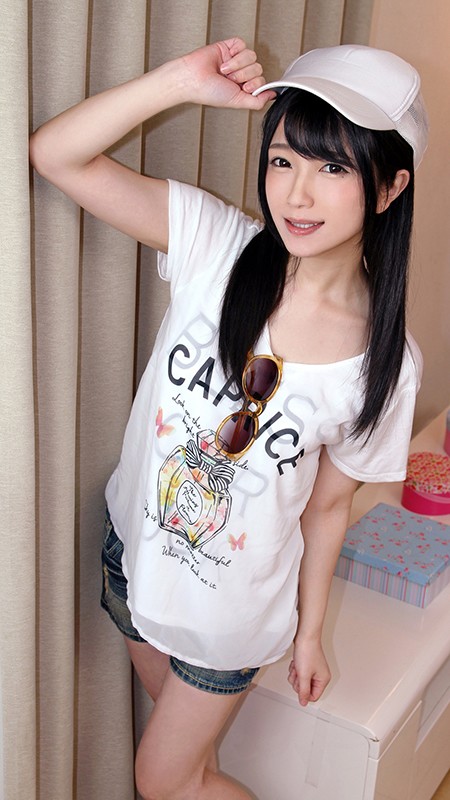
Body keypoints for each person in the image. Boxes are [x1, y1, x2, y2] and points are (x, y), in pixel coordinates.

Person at [30, 37, 428, 800]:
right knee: (190, 773)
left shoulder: (385, 363)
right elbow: (56, 155)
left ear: (388, 187)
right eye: (282, 160)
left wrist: (308, 634)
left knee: (164, 781)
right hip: (132, 559)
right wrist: (179, 81)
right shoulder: (216, 244)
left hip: (231, 615)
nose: (297, 195)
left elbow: (328, 508)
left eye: (333, 168)